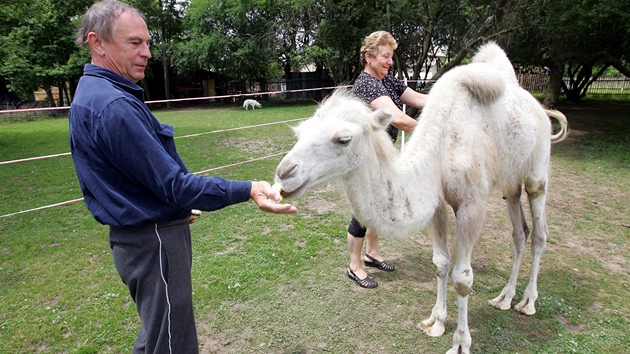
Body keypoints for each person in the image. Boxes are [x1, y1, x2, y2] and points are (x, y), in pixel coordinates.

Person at [68, 1, 297, 352]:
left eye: (147, 42)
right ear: (98, 43)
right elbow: (174, 185)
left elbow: (132, 177)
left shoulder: (98, 94)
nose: (146, 52)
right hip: (153, 242)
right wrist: (249, 188)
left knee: (157, 334)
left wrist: (172, 209)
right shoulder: (113, 105)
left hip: (144, 236)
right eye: (134, 43)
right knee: (173, 343)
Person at [346, 30, 428, 288]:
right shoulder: (366, 84)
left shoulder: (388, 81)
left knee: (379, 204)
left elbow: (420, 99)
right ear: (369, 57)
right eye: (385, 57)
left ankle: (372, 253)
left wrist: (448, 98)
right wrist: (433, 134)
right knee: (362, 211)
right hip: (364, 160)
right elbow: (399, 119)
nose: (389, 61)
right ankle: (354, 265)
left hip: (382, 157)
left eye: (391, 57)